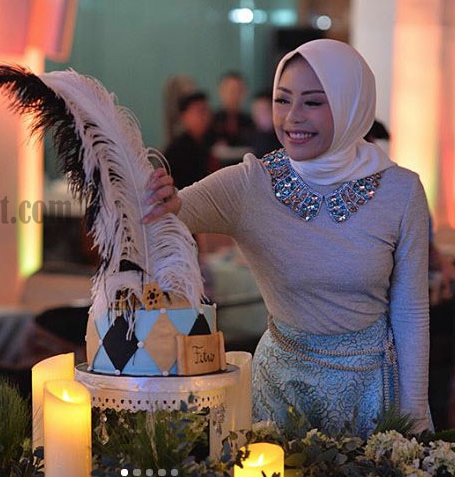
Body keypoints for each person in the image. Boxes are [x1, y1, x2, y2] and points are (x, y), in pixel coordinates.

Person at [143, 39, 432, 436]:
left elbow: (410, 310)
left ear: (350, 104)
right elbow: (170, 213)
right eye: (282, 100)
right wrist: (155, 195)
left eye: (313, 102)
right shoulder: (252, 184)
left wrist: (414, 414)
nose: (293, 117)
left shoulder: (401, 191)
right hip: (278, 392)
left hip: (370, 394)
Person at [163, 91, 215, 190]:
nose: (206, 116)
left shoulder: (213, 141)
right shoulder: (175, 151)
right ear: (185, 116)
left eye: (207, 111)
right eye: (200, 112)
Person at [213, 71, 255, 147]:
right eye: (230, 90)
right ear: (221, 91)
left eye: (238, 90)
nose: (234, 95)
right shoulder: (211, 121)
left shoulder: (251, 123)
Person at [250, 89, 282, 157]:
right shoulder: (250, 136)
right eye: (256, 111)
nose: (258, 116)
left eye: (263, 111)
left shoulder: (283, 138)